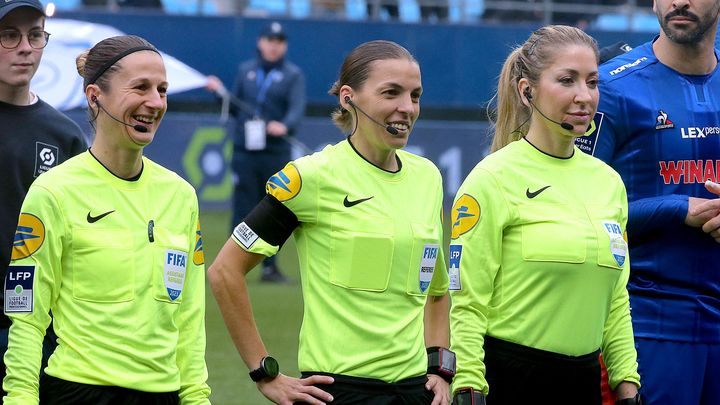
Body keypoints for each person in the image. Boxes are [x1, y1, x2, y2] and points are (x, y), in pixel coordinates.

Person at [208, 40, 452, 405]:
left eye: (415, 95)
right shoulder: (312, 177)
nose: (406, 108)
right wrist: (264, 372)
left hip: (416, 393)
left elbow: (437, 289)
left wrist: (440, 369)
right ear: (348, 98)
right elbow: (225, 272)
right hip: (337, 392)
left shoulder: (428, 178)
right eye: (391, 93)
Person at [3, 35, 210, 404]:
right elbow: (27, 314)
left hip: (163, 395)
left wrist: (196, 398)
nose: (155, 102)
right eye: (141, 88)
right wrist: (19, 397)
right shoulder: (53, 192)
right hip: (76, 393)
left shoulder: (181, 196)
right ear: (95, 96)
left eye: (162, 90)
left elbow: (190, 319)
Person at [449, 25, 641, 404]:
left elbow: (616, 299)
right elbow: (466, 300)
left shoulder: (608, 182)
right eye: (566, 81)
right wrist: (468, 384)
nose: (584, 96)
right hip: (507, 379)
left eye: (592, 82)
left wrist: (627, 384)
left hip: (584, 382)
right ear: (526, 91)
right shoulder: (492, 179)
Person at [577, 0, 720, 404]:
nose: (680, 2)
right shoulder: (609, 90)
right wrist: (679, 209)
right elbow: (574, 213)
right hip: (649, 325)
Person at [0, 0, 86, 386]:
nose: (24, 47)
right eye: (8, 36)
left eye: (35, 35)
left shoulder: (63, 135)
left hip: (38, 328)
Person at [206, 21, 305, 283]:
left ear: (284, 46)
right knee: (242, 207)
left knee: (274, 210)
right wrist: (219, 93)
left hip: (275, 151)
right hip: (245, 151)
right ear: (261, 42)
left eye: (279, 41)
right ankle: (228, 264)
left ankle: (270, 267)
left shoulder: (293, 75)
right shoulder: (246, 71)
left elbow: (296, 108)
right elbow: (235, 105)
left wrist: (283, 124)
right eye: (270, 40)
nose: (274, 46)